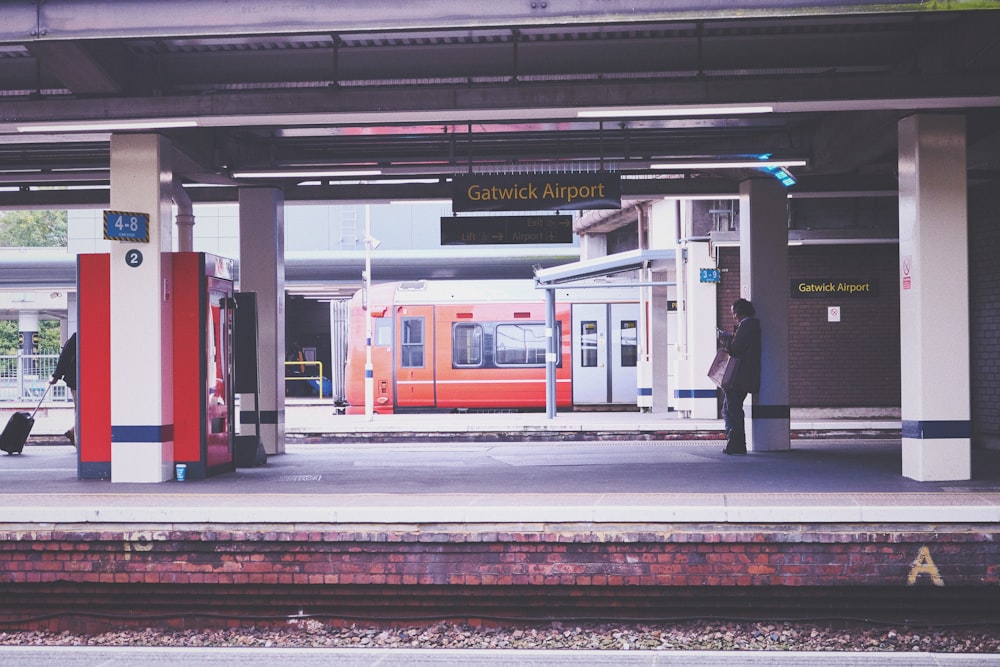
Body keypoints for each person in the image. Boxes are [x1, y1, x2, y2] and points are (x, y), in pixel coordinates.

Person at [716, 298, 761, 455]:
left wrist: (725, 338)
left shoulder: (746, 326)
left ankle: (736, 443)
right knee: (730, 408)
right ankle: (735, 442)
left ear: (740, 312)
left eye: (734, 312)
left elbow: (735, 349)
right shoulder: (751, 326)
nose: (733, 316)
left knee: (731, 409)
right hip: (744, 375)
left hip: (738, 377)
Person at [50, 331, 77, 447]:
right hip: (77, 380)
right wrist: (56, 376)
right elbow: (65, 356)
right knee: (81, 411)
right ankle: (79, 443)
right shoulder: (78, 336)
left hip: (80, 380)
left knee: (81, 411)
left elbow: (65, 355)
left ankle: (73, 432)